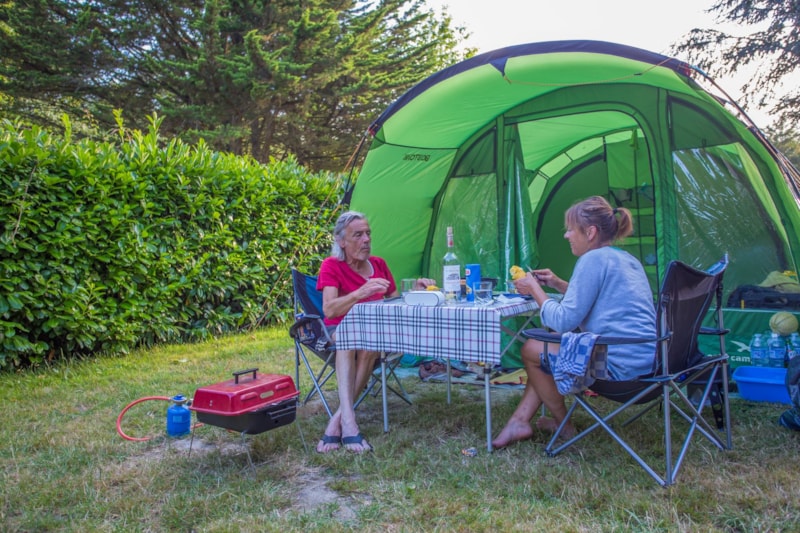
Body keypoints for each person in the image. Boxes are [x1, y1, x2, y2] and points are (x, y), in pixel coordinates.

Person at [492, 195, 657, 449]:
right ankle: (520, 421)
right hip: (646, 360)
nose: (567, 236)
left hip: (619, 367)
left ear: (590, 232)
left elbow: (563, 321)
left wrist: (535, 289)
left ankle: (563, 425)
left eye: (570, 230)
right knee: (544, 351)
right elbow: (597, 299)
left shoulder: (592, 260)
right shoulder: (623, 258)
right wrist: (557, 284)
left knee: (532, 349)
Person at [316, 210, 435, 453]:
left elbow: (394, 303)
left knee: (368, 343)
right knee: (349, 338)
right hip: (339, 329)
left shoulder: (379, 264)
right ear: (341, 241)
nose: (366, 240)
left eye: (368, 234)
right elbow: (329, 309)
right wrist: (360, 293)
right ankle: (349, 424)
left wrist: (416, 289)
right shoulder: (331, 266)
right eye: (358, 235)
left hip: (376, 333)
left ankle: (338, 420)